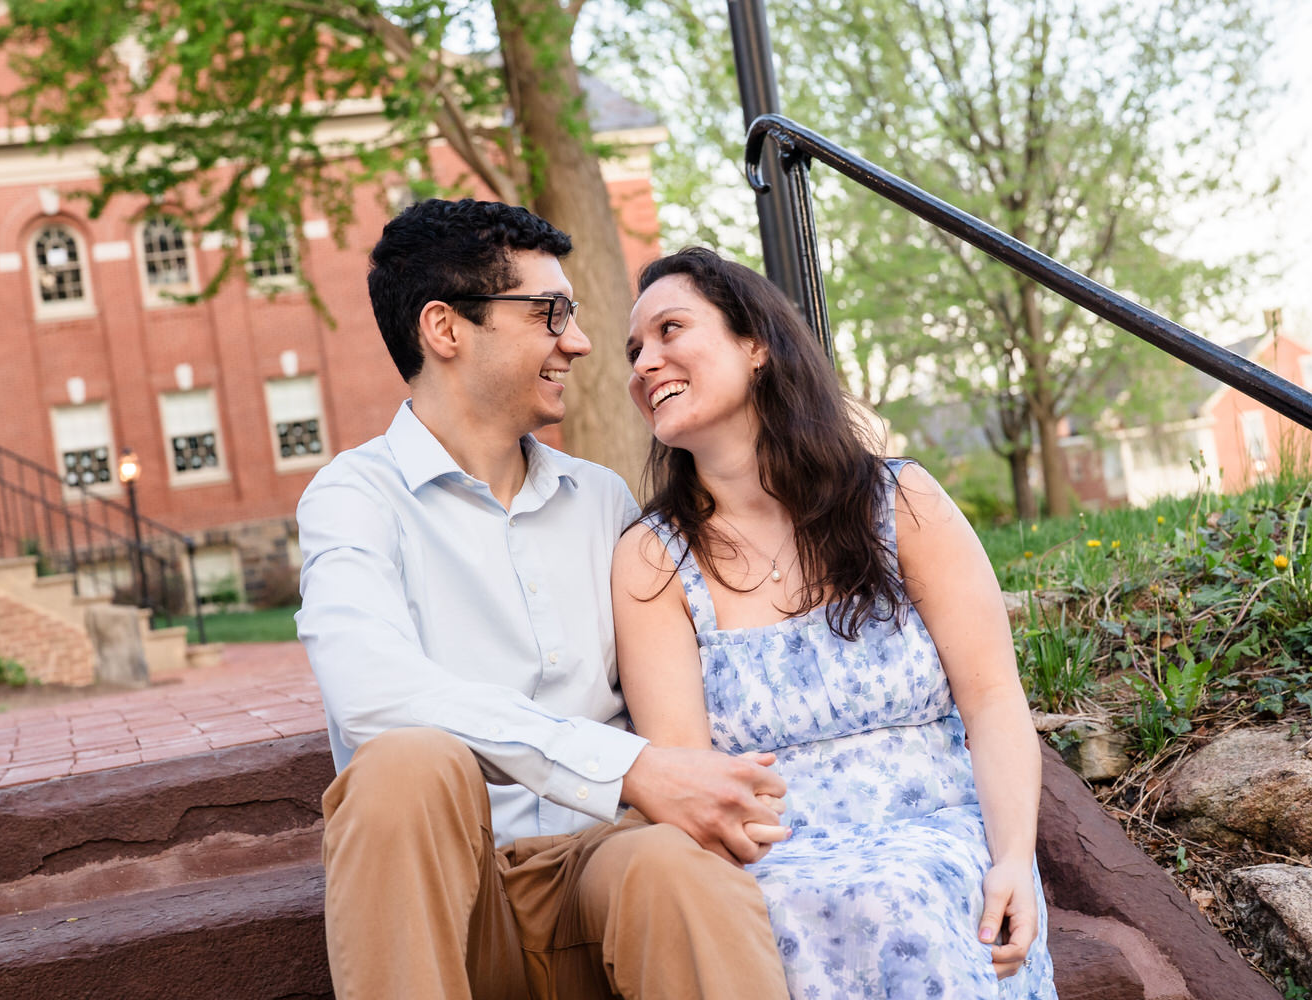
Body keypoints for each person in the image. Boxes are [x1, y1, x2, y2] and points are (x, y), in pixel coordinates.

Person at [295, 200, 795, 1000]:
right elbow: (370, 693)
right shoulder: (353, 499)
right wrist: (628, 768)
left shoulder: (605, 504)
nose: (581, 341)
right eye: (549, 312)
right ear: (446, 328)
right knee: (404, 762)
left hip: (606, 888)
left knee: (673, 862)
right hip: (451, 912)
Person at [612, 247, 1059, 999]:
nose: (644, 363)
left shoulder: (899, 502)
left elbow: (992, 699)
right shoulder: (651, 560)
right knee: (814, 904)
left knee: (904, 894)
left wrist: (1014, 858)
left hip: (936, 832)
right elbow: (689, 780)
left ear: (756, 344)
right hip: (773, 857)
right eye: (634, 351)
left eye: (670, 330)